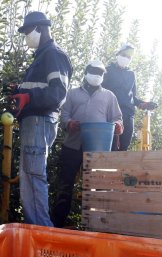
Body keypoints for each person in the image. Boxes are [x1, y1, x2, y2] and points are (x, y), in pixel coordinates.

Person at [10, 11, 73, 226]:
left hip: (39, 122)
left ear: (39, 28)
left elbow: (58, 93)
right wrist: (19, 90)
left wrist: (28, 97)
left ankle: (43, 236)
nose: (26, 35)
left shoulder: (53, 55)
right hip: (34, 122)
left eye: (27, 31)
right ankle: (36, 233)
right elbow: (40, 89)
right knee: (29, 177)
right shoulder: (42, 56)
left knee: (34, 176)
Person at [50, 60, 123, 228]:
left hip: (98, 150)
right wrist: (69, 123)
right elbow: (64, 114)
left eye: (101, 73)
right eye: (94, 71)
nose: (97, 75)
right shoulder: (73, 93)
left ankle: (97, 226)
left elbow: (117, 118)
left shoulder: (109, 96)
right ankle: (58, 224)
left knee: (98, 187)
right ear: (86, 72)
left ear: (104, 76)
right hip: (73, 145)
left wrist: (119, 126)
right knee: (65, 185)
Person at [102, 43, 157, 151]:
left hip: (127, 114)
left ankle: (122, 168)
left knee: (124, 147)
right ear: (118, 54)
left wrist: (144, 104)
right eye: (124, 55)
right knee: (110, 147)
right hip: (110, 114)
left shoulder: (131, 74)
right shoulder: (107, 70)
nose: (126, 58)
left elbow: (133, 97)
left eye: (129, 57)